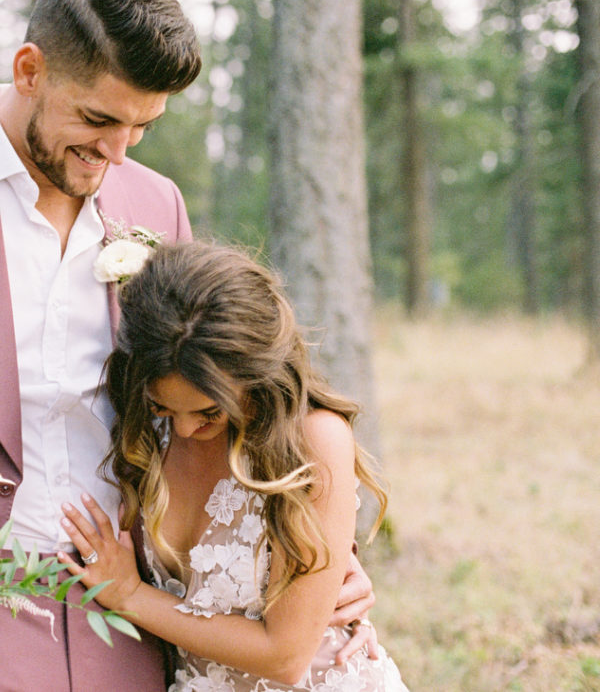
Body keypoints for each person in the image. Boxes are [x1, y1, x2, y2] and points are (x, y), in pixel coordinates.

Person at [0, 0, 375, 689]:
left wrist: (314, 552)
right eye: (98, 120)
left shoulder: (157, 204)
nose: (116, 153)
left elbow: (208, 403)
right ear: (29, 70)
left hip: (136, 626)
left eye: (141, 128)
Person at [58, 242, 409, 690]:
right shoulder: (145, 433)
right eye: (164, 407)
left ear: (254, 373)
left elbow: (285, 656)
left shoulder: (314, 441)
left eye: (208, 412)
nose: (183, 430)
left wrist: (130, 596)